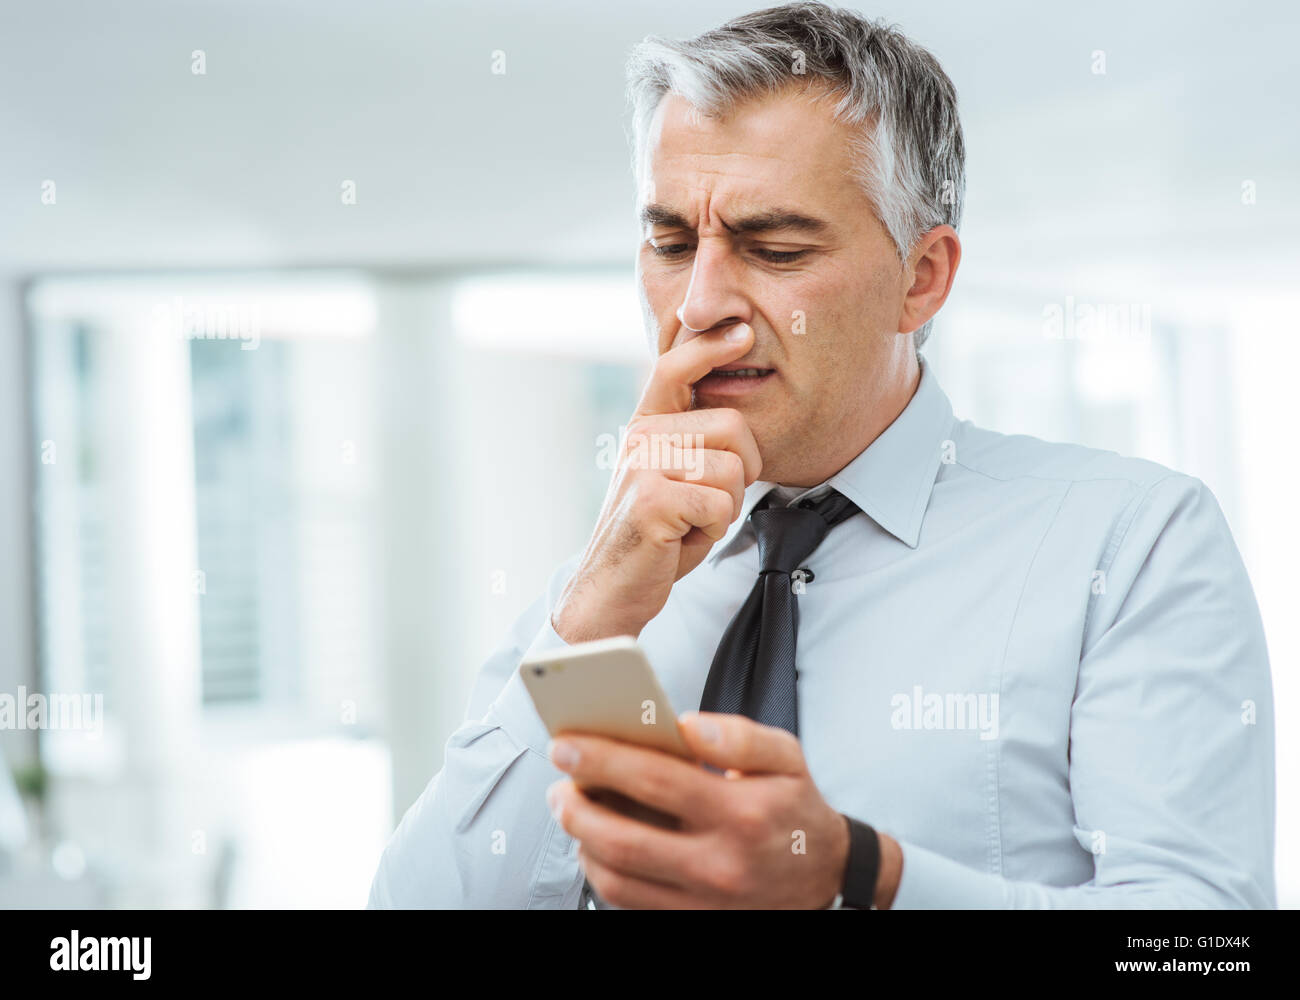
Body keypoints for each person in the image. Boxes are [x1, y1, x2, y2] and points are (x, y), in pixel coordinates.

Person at [368, 2, 1274, 909]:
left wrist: (864, 876)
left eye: (775, 247)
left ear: (921, 279)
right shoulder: (607, 593)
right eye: (671, 244)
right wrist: (593, 620)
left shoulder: (1128, 542)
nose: (698, 307)